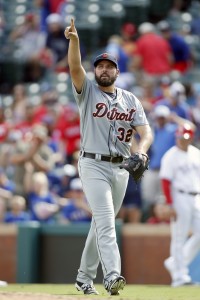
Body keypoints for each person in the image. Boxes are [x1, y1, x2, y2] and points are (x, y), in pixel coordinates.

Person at [64, 19, 153, 295]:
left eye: (109, 66)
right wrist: (75, 41)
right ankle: (113, 275)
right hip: (92, 164)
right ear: (95, 71)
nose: (104, 69)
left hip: (122, 168)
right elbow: (74, 67)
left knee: (100, 224)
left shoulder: (130, 99)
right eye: (100, 66)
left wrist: (142, 150)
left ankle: (83, 278)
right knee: (106, 222)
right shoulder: (87, 91)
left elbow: (145, 131)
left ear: (116, 70)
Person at [159, 123, 200, 287]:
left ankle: (174, 262)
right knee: (179, 236)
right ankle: (179, 277)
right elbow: (165, 180)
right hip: (179, 196)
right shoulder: (170, 155)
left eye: (184, 138)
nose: (180, 140)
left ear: (190, 138)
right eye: (179, 137)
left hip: (196, 196)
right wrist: (169, 204)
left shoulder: (196, 153)